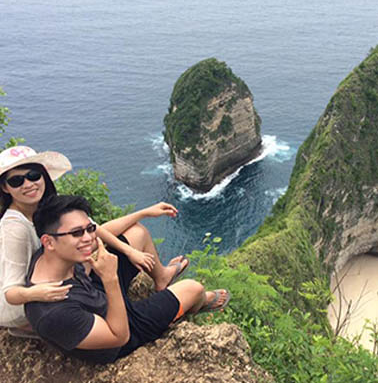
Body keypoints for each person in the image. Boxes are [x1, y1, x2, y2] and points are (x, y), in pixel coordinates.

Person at [0, 145, 188, 335]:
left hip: (66, 276)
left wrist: (141, 219)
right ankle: (33, 328)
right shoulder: (15, 229)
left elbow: (94, 229)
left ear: (43, 175)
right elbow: (11, 293)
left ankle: (162, 276)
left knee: (136, 233)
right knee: (188, 290)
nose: (28, 184)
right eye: (16, 181)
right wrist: (38, 294)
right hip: (32, 301)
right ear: (5, 187)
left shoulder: (45, 206)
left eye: (33, 175)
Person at [25, 194, 230, 363]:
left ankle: (162, 278)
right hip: (118, 332)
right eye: (77, 233)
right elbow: (118, 336)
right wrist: (110, 279)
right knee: (193, 288)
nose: (88, 238)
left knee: (137, 233)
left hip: (97, 295)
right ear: (48, 241)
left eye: (89, 229)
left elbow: (105, 230)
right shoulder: (52, 313)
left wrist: (143, 212)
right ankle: (200, 303)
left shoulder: (50, 257)